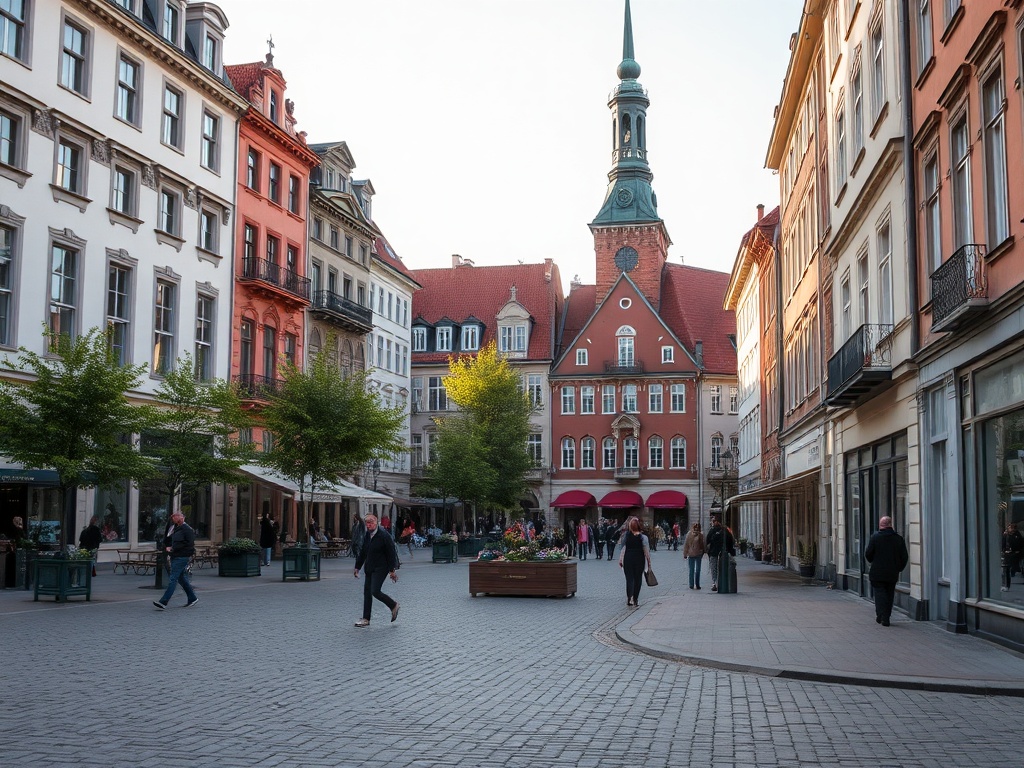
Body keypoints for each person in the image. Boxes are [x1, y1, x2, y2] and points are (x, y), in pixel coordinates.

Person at [353, 514, 399, 627]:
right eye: (367, 523)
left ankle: (393, 605)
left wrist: (392, 570)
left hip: (381, 568)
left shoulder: (384, 535)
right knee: (367, 593)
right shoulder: (368, 535)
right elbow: (363, 551)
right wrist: (357, 567)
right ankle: (366, 619)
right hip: (369, 567)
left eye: (371, 522)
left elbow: (391, 553)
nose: (368, 525)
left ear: (376, 522)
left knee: (375, 591)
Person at [864, 516, 908, 626]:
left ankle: (881, 615)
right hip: (892, 573)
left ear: (881, 525)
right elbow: (904, 557)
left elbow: (868, 554)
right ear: (890, 524)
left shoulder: (875, 538)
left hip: (877, 572)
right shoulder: (898, 539)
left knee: (879, 594)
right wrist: (898, 568)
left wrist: (872, 561)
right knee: (889, 594)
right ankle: (886, 616)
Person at [153, 511, 198, 609]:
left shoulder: (187, 529)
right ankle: (192, 598)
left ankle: (163, 601)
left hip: (181, 557)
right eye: (172, 517)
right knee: (181, 579)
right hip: (175, 556)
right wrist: (168, 546)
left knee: (173, 579)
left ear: (182, 518)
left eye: (175, 516)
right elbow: (168, 539)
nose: (173, 518)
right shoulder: (175, 528)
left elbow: (189, 545)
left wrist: (174, 549)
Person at [618, 516, 651, 607]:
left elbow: (623, 549)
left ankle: (629, 598)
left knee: (629, 579)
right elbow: (646, 551)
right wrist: (649, 562)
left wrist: (620, 560)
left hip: (628, 558)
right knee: (638, 579)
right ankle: (635, 599)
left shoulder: (626, 536)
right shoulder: (643, 537)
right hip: (639, 559)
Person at [705, 516, 735, 593]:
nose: (713, 523)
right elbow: (731, 541)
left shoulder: (714, 530)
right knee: (718, 567)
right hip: (722, 552)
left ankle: (715, 582)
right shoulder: (725, 530)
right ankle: (717, 582)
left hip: (715, 552)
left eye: (714, 521)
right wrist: (730, 551)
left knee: (714, 567)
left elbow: (707, 540)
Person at [682, 522, 706, 590]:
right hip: (695, 554)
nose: (696, 528)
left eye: (697, 527)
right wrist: (685, 554)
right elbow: (686, 544)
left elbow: (702, 544)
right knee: (694, 570)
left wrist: (685, 554)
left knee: (694, 570)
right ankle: (694, 584)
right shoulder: (691, 534)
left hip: (695, 554)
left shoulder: (697, 534)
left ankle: (694, 584)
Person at [1001, 522, 1023, 592]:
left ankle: (1014, 573)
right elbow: (1003, 544)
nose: (1009, 529)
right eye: (1009, 527)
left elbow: (1019, 545)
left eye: (1010, 528)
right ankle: (1006, 585)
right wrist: (1004, 551)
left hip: (1015, 554)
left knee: (1011, 568)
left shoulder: (1017, 535)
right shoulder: (1006, 535)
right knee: (1006, 570)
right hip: (1007, 554)